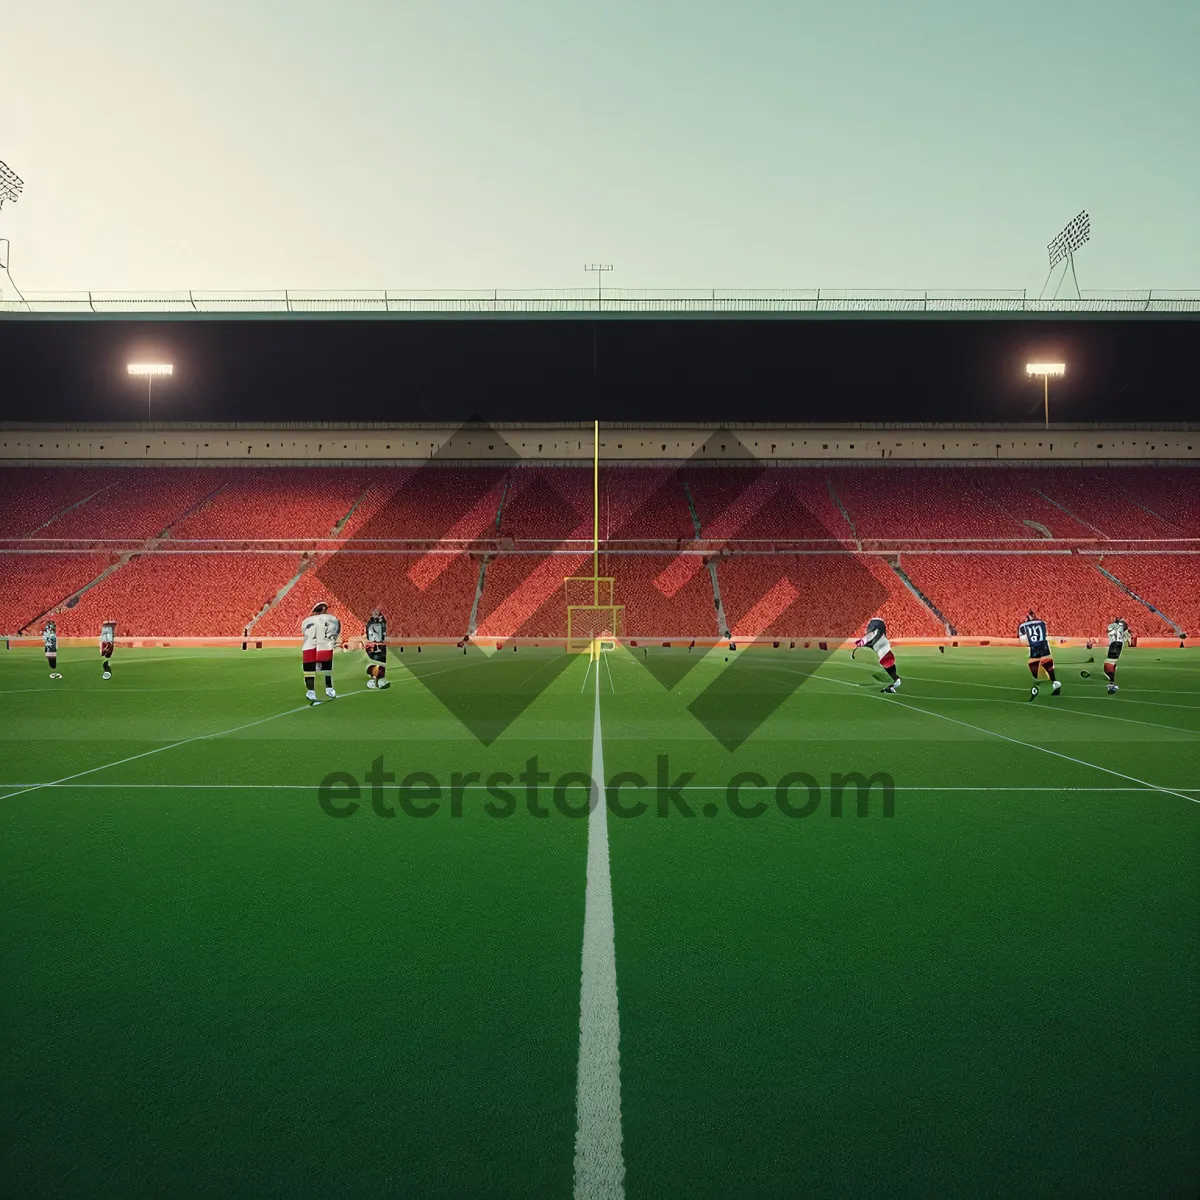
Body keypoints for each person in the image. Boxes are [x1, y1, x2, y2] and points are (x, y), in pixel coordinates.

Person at [301, 602, 341, 704]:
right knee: (326, 670)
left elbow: (304, 632)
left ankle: (311, 692)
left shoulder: (306, 621)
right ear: (323, 610)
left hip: (308, 646)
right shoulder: (330, 618)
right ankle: (328, 690)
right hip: (324, 645)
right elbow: (333, 632)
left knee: (309, 671)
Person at [1018, 610, 1059, 700]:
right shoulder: (1042, 622)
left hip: (1034, 648)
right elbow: (1045, 634)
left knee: (1033, 667)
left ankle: (1036, 687)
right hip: (1044, 646)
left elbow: (1023, 641)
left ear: (1027, 617)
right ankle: (1055, 683)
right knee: (1048, 666)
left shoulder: (1022, 626)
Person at [855, 616, 901, 693]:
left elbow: (872, 634)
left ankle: (894, 681)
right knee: (890, 670)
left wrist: (862, 641)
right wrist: (862, 642)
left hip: (885, 657)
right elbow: (872, 635)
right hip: (887, 656)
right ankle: (895, 681)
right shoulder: (880, 640)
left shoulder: (876, 636)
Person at [365, 608, 390, 690]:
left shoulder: (379, 625)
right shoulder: (374, 625)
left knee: (375, 656)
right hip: (381, 649)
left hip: (381, 648)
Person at [1104, 617, 1131, 693]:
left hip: (1114, 645)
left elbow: (1109, 629)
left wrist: (1115, 623)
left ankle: (1111, 684)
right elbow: (1126, 634)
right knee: (1113, 663)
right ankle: (1112, 681)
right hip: (1120, 645)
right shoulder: (1124, 629)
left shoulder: (1112, 626)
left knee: (1108, 664)